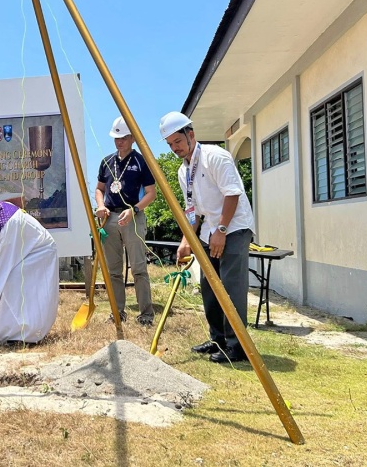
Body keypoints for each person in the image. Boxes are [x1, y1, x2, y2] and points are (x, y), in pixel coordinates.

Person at [160, 111, 255, 364]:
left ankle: (238, 346)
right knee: (209, 287)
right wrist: (185, 241)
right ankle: (218, 340)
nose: (175, 148)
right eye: (170, 145)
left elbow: (232, 195)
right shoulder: (184, 171)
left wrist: (221, 231)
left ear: (190, 135)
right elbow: (193, 212)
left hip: (233, 227)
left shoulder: (216, 157)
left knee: (231, 288)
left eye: (177, 141)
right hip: (208, 231)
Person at [0, 181, 59, 345]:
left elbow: (0, 263)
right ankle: (12, 331)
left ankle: (23, 335)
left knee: (12, 281)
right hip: (26, 254)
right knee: (4, 282)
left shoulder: (8, 222)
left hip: (39, 254)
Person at [94, 117, 157, 325]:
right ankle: (117, 312)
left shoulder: (141, 161)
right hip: (110, 217)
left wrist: (135, 209)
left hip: (133, 216)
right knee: (113, 270)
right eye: (116, 138)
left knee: (139, 268)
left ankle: (146, 314)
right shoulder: (106, 161)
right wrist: (101, 205)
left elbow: (151, 193)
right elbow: (99, 188)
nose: (118, 142)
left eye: (122, 138)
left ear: (132, 138)